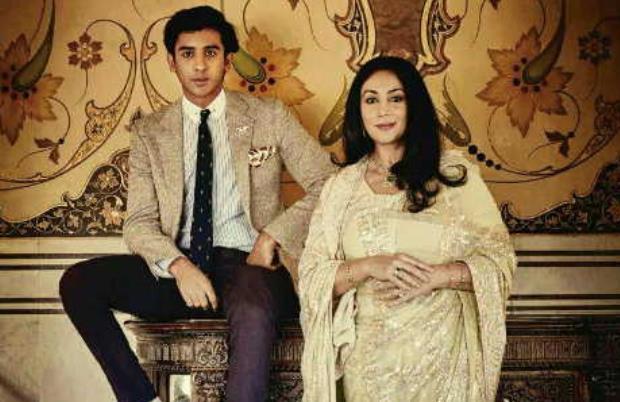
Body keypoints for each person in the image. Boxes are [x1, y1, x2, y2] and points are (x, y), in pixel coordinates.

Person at [59, 6, 336, 402]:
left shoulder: (269, 116)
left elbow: (328, 183)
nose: (200, 65)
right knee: (79, 283)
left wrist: (272, 236)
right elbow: (138, 222)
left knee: (254, 309)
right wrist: (178, 265)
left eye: (211, 52)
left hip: (250, 265)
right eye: (188, 53)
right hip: (181, 272)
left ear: (228, 60)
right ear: (172, 62)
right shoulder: (150, 132)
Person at [298, 56, 516, 402]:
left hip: (443, 359)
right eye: (371, 100)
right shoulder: (341, 188)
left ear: (413, 106)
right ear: (358, 112)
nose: (383, 110)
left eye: (396, 98)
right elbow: (311, 277)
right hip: (368, 366)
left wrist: (438, 276)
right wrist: (369, 266)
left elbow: (499, 261)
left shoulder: (456, 177)